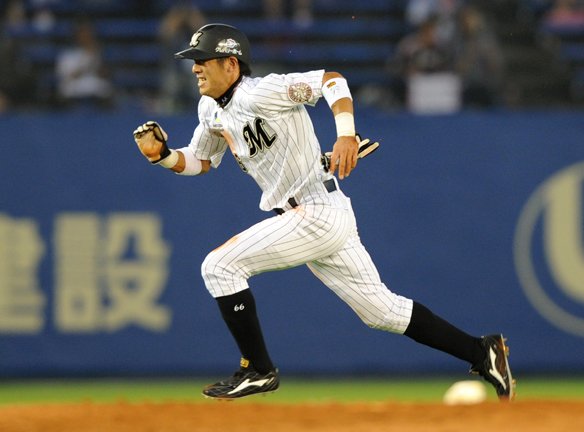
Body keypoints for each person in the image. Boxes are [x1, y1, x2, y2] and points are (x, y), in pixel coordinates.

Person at [132, 23, 515, 401]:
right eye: (194, 60)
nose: (195, 68)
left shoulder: (262, 91)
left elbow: (332, 81)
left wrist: (345, 133)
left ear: (231, 64)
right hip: (314, 214)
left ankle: (258, 369)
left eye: (203, 60)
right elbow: (201, 161)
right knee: (382, 312)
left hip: (316, 210)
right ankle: (482, 352)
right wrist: (162, 156)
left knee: (219, 266)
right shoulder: (210, 109)